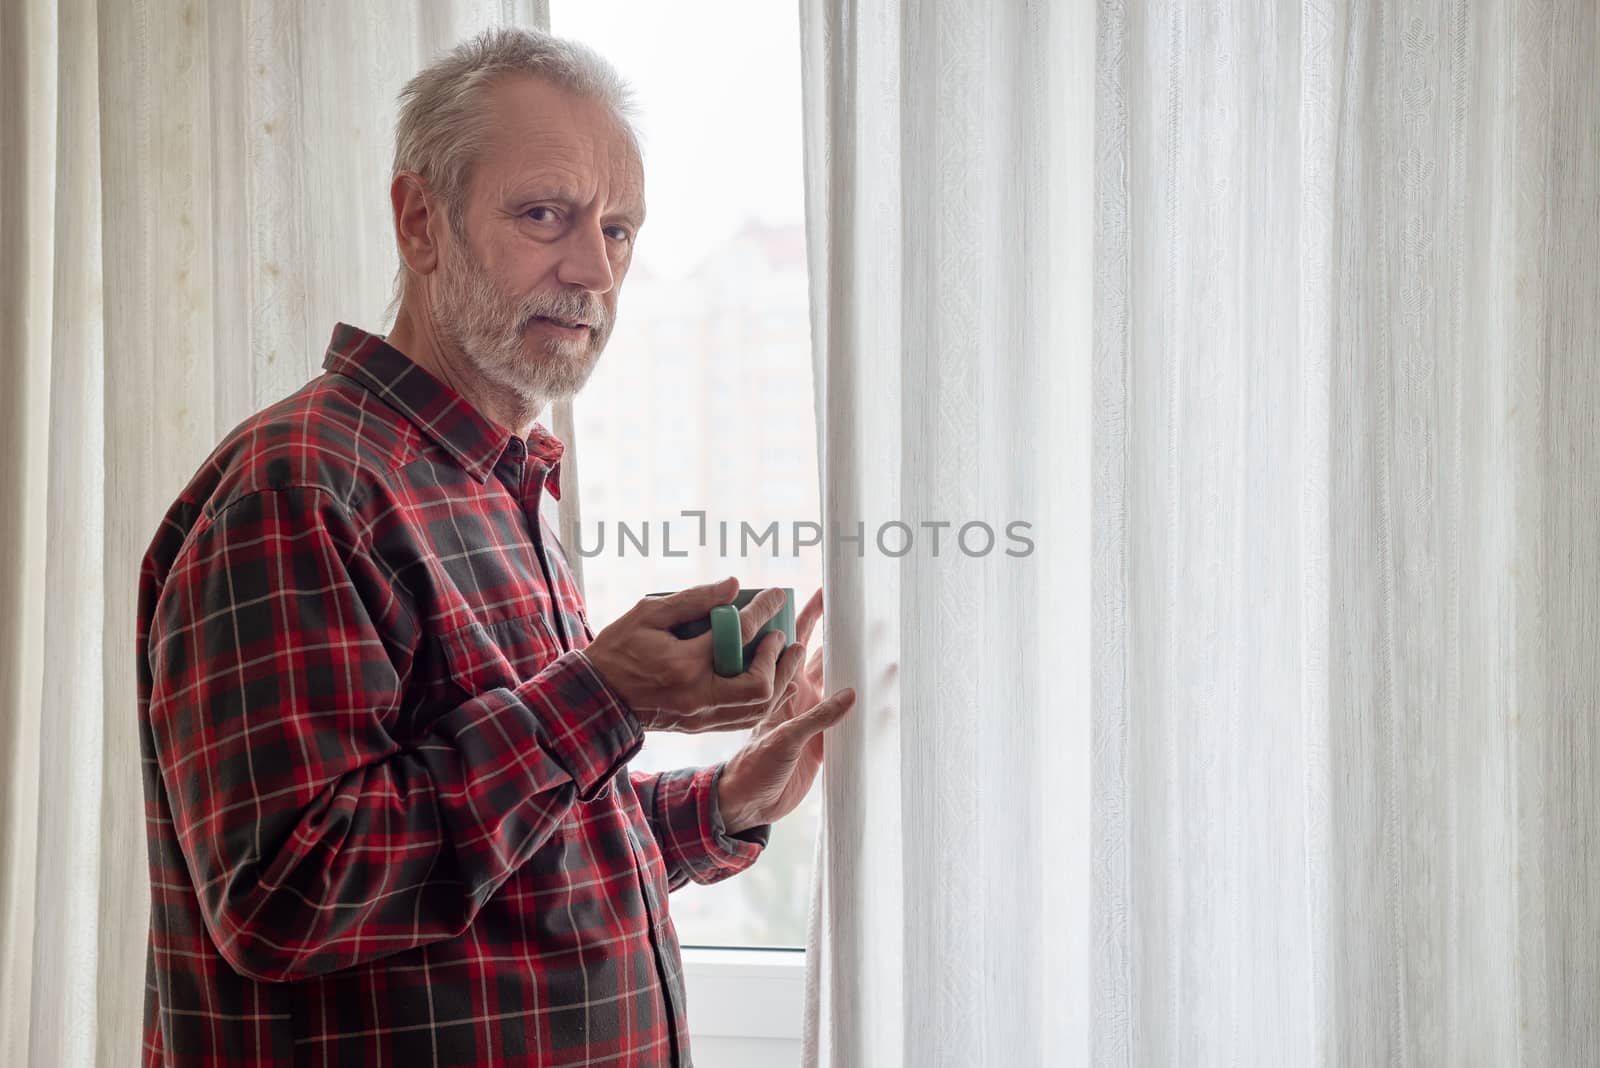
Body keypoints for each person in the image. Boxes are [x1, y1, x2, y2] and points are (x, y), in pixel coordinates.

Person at [136, 26, 855, 1067]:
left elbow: (507, 877)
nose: (592, 269)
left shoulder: (503, 487)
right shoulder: (300, 487)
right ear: (419, 221)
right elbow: (286, 898)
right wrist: (602, 700)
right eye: (543, 215)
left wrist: (724, 801)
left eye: (618, 229)